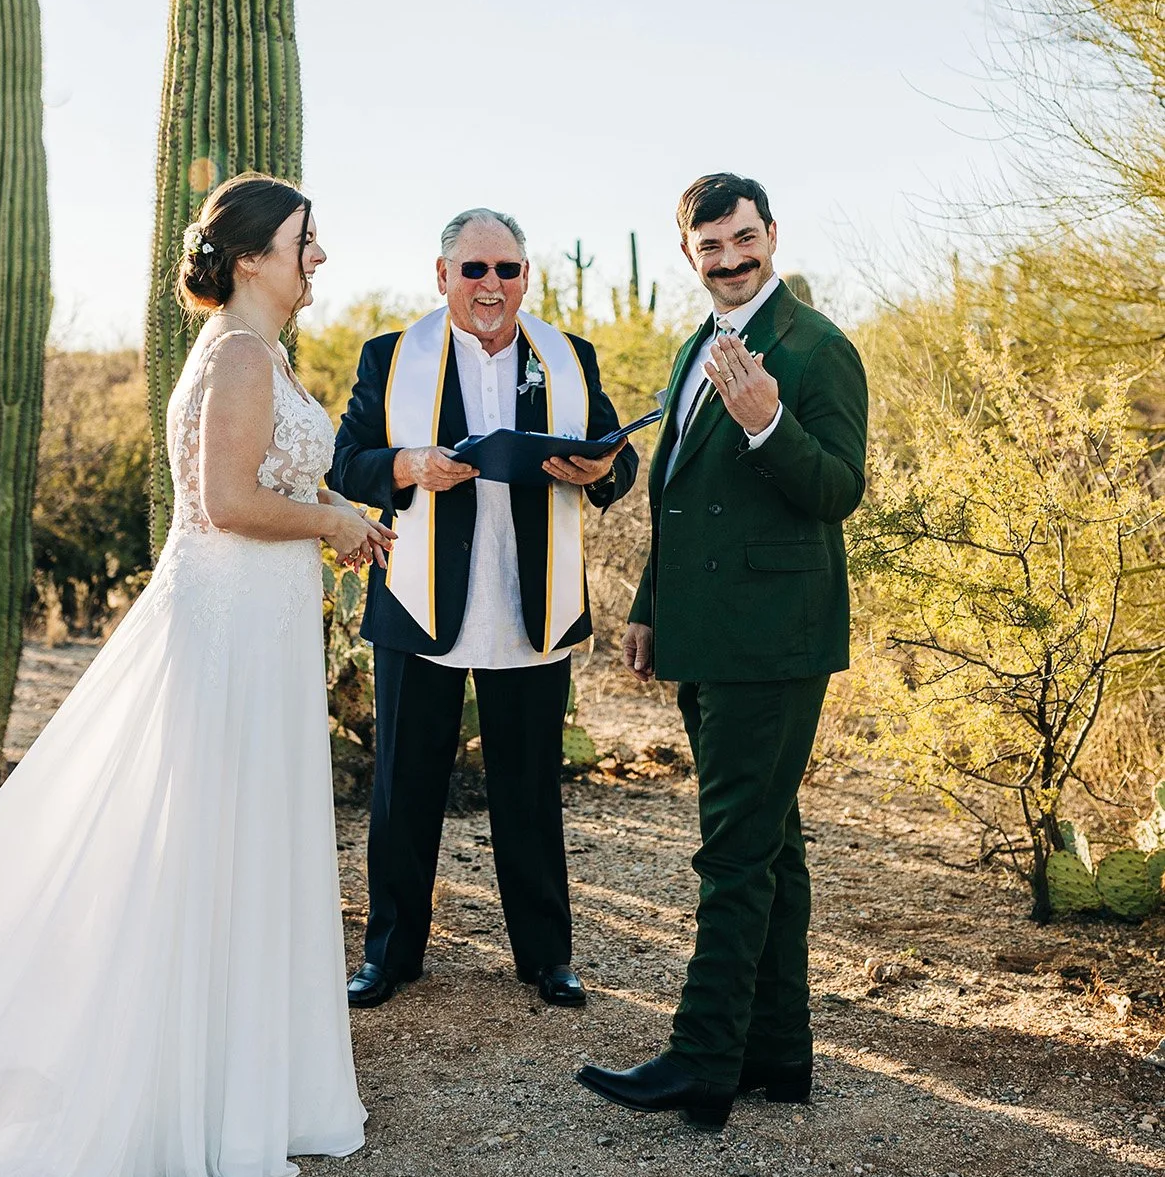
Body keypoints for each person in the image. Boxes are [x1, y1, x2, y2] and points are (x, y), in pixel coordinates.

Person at [0, 174, 387, 1177]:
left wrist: (335, 516)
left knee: (239, 842)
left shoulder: (256, 353)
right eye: (303, 240)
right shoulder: (232, 355)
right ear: (250, 257)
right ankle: (197, 1091)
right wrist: (332, 519)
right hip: (227, 626)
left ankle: (239, 1078)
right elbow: (226, 502)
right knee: (214, 842)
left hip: (254, 623)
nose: (319, 255)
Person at [577, 173, 868, 1128]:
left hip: (774, 642)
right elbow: (677, 495)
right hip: (705, 639)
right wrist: (653, 608)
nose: (731, 259)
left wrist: (767, 425)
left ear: (771, 234)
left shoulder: (818, 349)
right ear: (689, 255)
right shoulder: (691, 346)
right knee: (769, 849)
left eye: (743, 239)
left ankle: (702, 1060)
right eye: (710, 248)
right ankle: (777, 1054)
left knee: (733, 856)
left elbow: (835, 492)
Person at [329, 208, 638, 1010]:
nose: (490, 285)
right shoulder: (391, 357)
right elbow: (348, 462)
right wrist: (407, 465)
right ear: (442, 277)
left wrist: (594, 469)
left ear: (526, 277)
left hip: (531, 605)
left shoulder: (568, 357)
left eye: (506, 270)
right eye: (473, 270)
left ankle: (546, 958)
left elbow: (616, 458)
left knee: (529, 790)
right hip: (420, 603)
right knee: (404, 787)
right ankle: (390, 956)